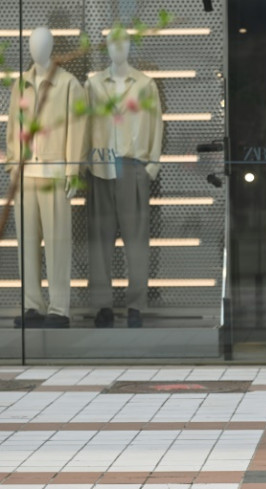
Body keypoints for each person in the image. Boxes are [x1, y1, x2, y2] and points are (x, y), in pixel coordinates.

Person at [6, 27, 86, 328]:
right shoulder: (21, 84)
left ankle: (59, 307)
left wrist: (72, 170)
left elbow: (78, 128)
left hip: (54, 172)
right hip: (25, 175)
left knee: (57, 242)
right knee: (26, 243)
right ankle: (32, 306)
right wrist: (13, 163)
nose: (36, 49)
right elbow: (13, 124)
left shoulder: (67, 84)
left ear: (52, 47)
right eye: (32, 44)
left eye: (42, 44)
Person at [85, 30, 163, 328]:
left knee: (136, 241)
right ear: (106, 47)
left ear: (130, 46)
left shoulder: (145, 85)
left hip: (132, 166)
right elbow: (84, 124)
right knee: (100, 242)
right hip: (100, 167)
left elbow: (156, 124)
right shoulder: (92, 85)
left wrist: (151, 166)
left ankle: (136, 305)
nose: (119, 48)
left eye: (124, 42)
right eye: (113, 43)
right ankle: (102, 305)